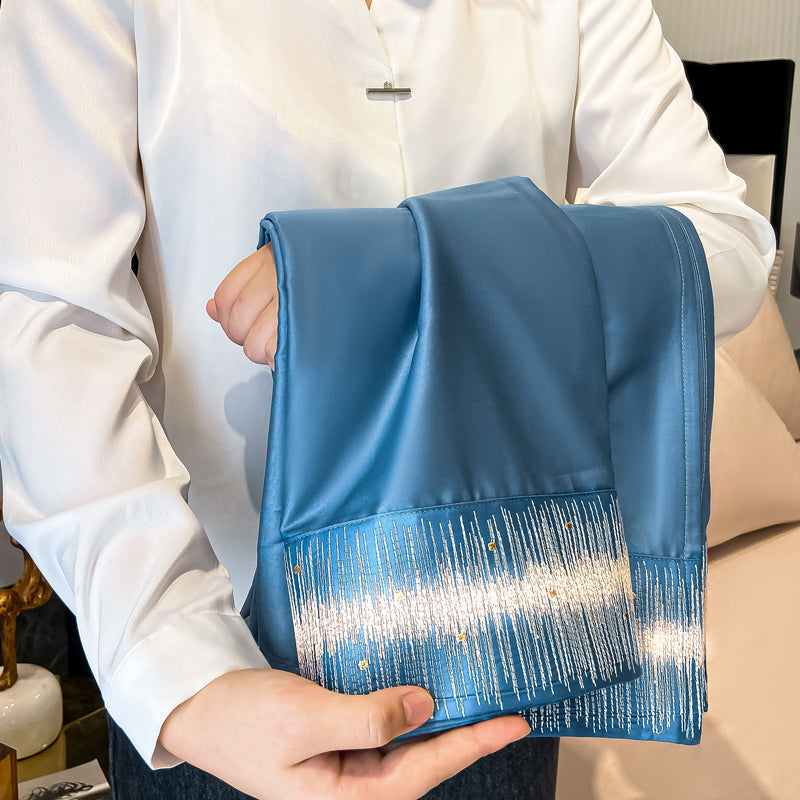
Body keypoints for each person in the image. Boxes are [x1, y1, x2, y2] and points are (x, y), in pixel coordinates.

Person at [0, 0, 775, 797]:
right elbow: (50, 320)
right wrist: (178, 659)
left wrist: (386, 266)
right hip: (224, 669)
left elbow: (724, 242)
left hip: (509, 619)